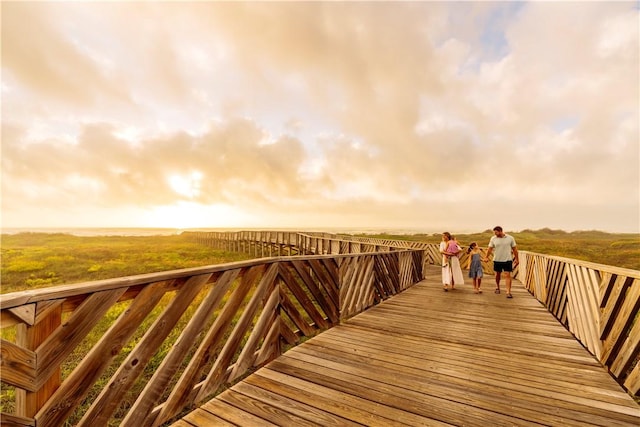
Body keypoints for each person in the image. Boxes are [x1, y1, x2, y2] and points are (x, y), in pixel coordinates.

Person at [483, 226, 519, 298]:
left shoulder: (510, 238)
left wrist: (517, 259)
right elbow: (490, 249)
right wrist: (486, 257)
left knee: (507, 275)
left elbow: (515, 249)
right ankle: (497, 287)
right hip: (497, 259)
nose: (495, 234)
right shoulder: (493, 238)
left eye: (496, 232)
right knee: (497, 275)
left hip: (508, 259)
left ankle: (508, 292)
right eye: (494, 232)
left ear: (500, 231)